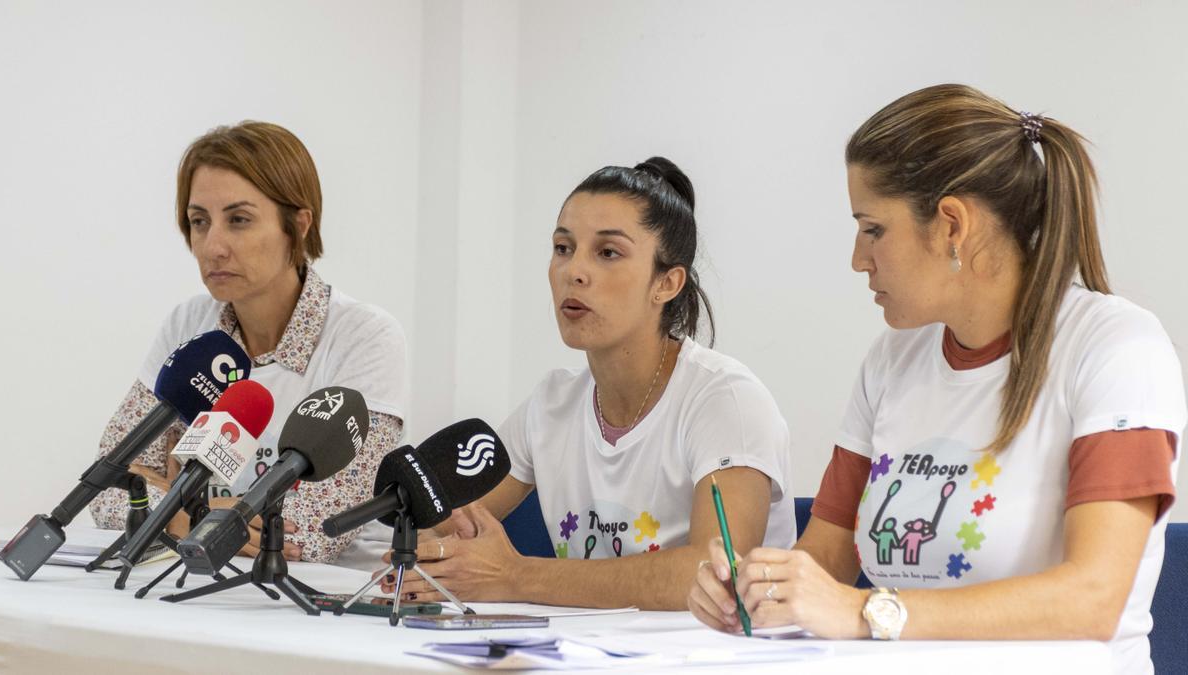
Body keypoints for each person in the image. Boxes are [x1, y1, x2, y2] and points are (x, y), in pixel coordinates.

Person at [688, 84, 1184, 675]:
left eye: (872, 229)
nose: (857, 258)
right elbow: (825, 559)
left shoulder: (1116, 347)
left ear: (952, 225)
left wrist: (868, 612)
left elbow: (1092, 600)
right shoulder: (890, 360)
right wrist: (753, 591)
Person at [383, 157, 795, 609]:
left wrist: (517, 576)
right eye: (563, 248)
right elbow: (451, 527)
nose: (573, 272)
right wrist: (416, 557)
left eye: (608, 253)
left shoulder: (726, 400)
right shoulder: (552, 404)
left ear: (667, 283)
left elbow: (714, 574)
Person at [89, 121, 407, 563]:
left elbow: (310, 534)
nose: (212, 246)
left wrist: (174, 503)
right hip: (196, 575)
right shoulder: (188, 324)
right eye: (199, 221)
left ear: (297, 225)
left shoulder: (365, 337)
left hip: (319, 597)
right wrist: (202, 515)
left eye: (238, 220)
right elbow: (108, 486)